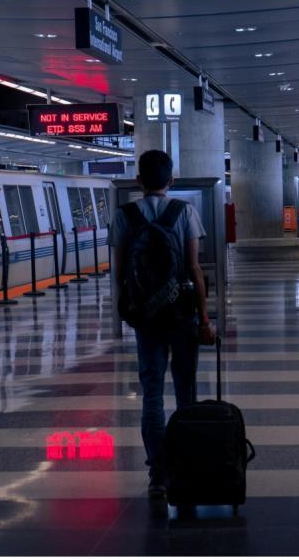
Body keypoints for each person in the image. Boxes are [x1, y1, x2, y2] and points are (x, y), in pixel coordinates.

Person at [109, 150, 216, 498]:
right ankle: (185, 465)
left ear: (138, 180)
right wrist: (205, 319)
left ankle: (158, 472)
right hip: (182, 315)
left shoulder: (124, 215)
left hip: (147, 319)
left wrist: (125, 310)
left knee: (152, 394)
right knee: (186, 392)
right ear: (171, 181)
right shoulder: (184, 212)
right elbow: (194, 269)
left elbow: (120, 272)